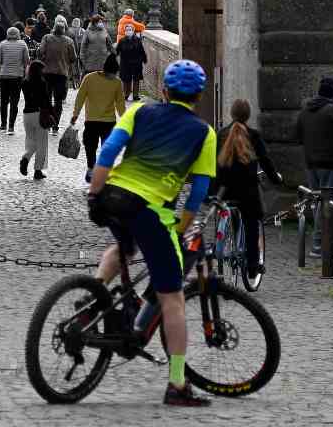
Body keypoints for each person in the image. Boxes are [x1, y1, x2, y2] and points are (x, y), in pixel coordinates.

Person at [85, 60, 216, 406]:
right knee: (172, 299)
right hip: (151, 210)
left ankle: (92, 299)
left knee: (122, 248)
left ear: (164, 90)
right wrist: (182, 226)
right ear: (199, 96)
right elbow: (200, 190)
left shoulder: (139, 111)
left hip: (114, 195)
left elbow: (109, 150)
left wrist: (95, 192)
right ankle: (177, 385)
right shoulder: (204, 133)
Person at [213, 100, 283, 278]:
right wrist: (276, 179)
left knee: (228, 214)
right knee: (252, 223)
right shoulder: (253, 135)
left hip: (223, 190)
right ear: (248, 115)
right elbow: (265, 161)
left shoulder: (220, 134)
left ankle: (225, 240)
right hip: (246, 190)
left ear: (231, 113)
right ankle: (252, 266)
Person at [294, 77, 333, 258]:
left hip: (311, 164)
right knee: (327, 206)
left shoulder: (305, 111)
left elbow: (297, 135)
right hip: (330, 164)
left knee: (316, 204)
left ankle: (317, 243)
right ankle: (320, 246)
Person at [69, 54, 127, 165]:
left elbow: (120, 104)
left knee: (94, 147)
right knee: (94, 147)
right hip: (101, 122)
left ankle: (97, 169)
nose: (113, 76)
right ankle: (93, 168)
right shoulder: (115, 82)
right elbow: (80, 98)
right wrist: (75, 114)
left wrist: (125, 119)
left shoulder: (90, 78)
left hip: (98, 121)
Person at [38, 15, 78, 135]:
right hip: (61, 74)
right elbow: (73, 58)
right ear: (64, 30)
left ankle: (46, 124)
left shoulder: (47, 38)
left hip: (47, 72)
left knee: (47, 99)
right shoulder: (69, 41)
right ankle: (55, 126)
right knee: (58, 101)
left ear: (53, 29)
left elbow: (41, 51)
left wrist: (45, 58)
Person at [0, 26, 29, 134]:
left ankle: (3, 125)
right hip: (17, 77)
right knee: (14, 102)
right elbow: (27, 60)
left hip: (4, 76)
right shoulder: (23, 44)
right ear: (18, 34)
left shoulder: (2, 44)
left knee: (3, 102)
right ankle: (11, 127)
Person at [19, 60, 50, 180]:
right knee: (42, 143)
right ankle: (38, 170)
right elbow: (46, 99)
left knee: (31, 140)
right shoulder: (42, 82)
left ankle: (25, 158)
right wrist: (51, 114)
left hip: (27, 114)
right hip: (39, 113)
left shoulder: (25, 82)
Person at [116, 23, 148, 102]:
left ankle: (135, 95)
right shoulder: (122, 41)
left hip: (136, 62)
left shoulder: (137, 40)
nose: (128, 31)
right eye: (127, 30)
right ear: (125, 31)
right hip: (125, 63)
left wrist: (144, 59)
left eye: (130, 30)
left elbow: (141, 50)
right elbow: (117, 51)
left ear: (133, 31)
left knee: (136, 79)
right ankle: (126, 94)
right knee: (126, 79)